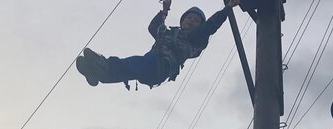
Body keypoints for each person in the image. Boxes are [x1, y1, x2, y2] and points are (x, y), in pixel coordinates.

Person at [76, 0, 240, 88]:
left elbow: (210, 26)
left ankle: (105, 66)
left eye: (196, 20)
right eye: (189, 18)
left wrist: (227, 9)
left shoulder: (197, 39)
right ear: (182, 21)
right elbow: (153, 27)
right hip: (151, 63)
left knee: (136, 64)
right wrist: (165, 11)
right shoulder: (169, 33)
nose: (191, 21)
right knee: (131, 69)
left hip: (162, 67)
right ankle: (100, 75)